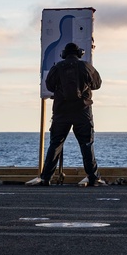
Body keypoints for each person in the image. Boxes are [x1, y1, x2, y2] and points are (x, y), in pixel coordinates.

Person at [27, 42, 104, 187]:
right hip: (82, 111)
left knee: (55, 144)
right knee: (86, 144)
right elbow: (97, 84)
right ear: (79, 53)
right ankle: (93, 177)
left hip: (61, 112)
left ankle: (45, 178)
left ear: (64, 54)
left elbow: (49, 86)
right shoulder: (85, 66)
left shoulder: (57, 68)